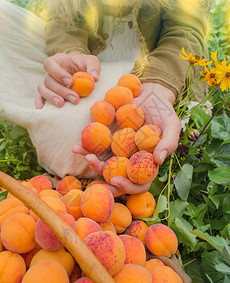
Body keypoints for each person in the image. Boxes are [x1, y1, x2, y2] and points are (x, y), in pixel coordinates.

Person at [0, 0, 210, 196]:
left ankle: (51, 116)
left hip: (150, 74)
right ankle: (60, 112)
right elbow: (63, 16)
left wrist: (159, 87)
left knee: (72, 137)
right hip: (93, 71)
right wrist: (71, 53)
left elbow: (186, 31)